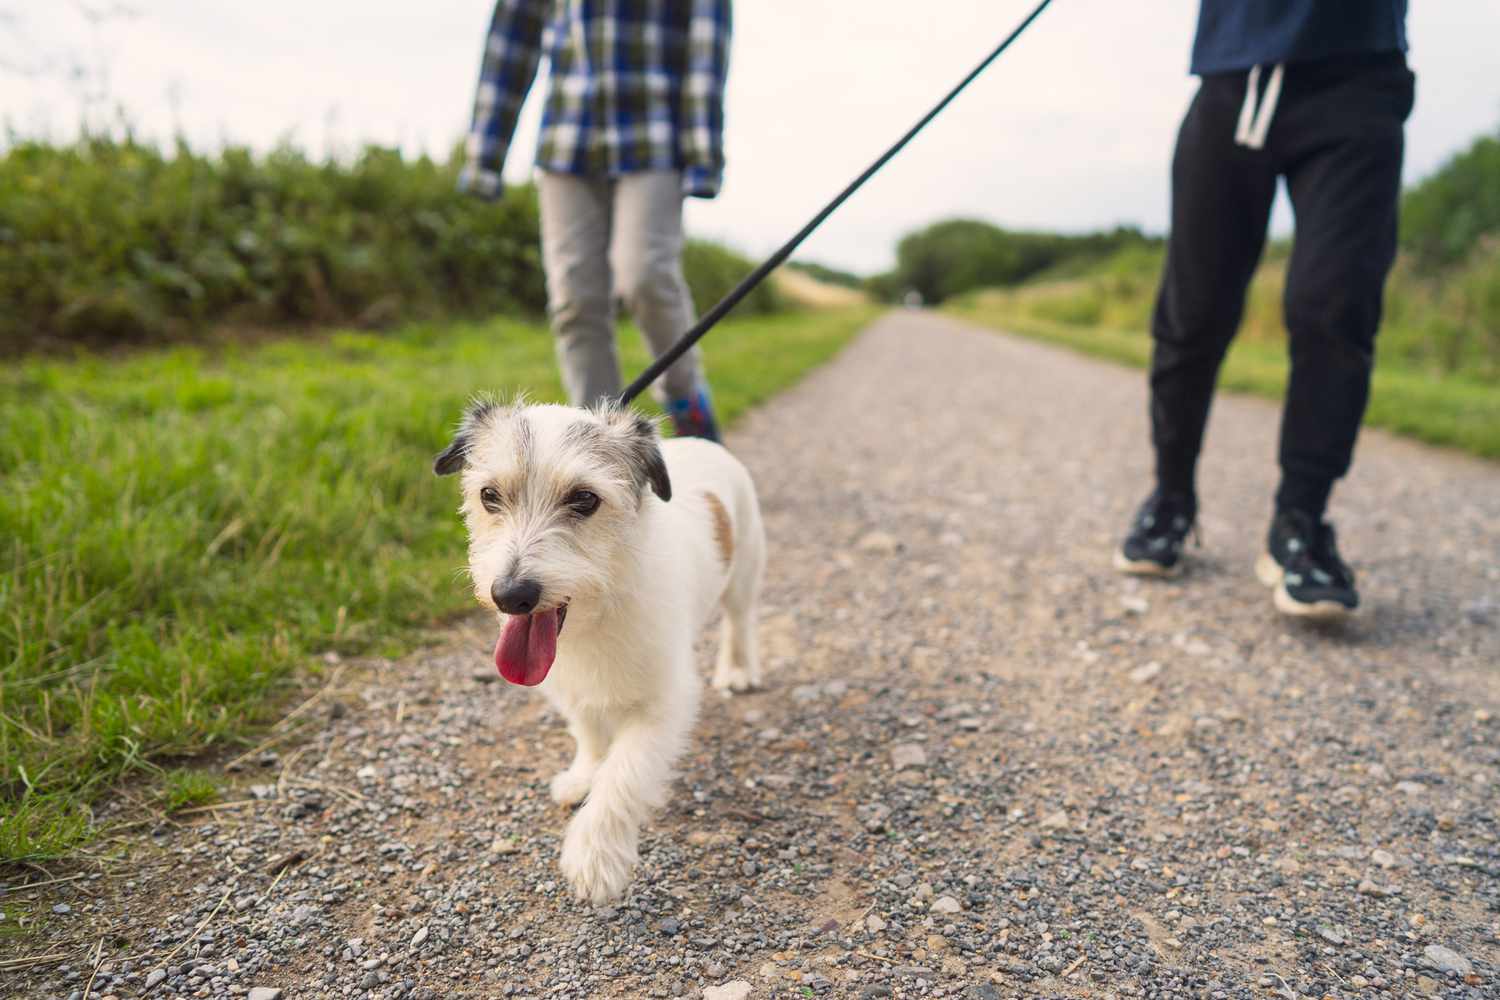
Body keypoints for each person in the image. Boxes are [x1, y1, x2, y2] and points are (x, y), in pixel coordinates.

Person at [1115, 0, 1415, 620]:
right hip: (1232, 79)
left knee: (1334, 303)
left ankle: (1300, 523)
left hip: (1357, 79)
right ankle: (1170, 498)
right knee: (1193, 311)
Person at [459, 0, 732, 441]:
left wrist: (703, 151)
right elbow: (512, 37)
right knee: (575, 299)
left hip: (656, 134)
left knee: (644, 274)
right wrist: (485, 153)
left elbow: (706, 39)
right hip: (569, 135)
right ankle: (597, 440)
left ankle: (687, 405)